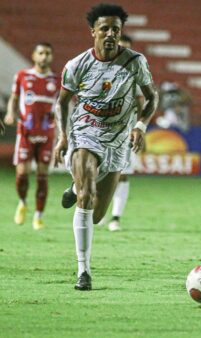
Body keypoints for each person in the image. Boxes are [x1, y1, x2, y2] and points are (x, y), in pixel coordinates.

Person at [53, 3, 158, 290]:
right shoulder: (77, 65)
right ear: (93, 32)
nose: (111, 34)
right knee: (87, 198)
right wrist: (63, 137)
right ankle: (83, 271)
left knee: (97, 215)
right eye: (105, 29)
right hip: (85, 133)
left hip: (118, 140)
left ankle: (74, 188)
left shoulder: (135, 62)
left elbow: (152, 97)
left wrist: (140, 125)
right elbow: (62, 102)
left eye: (116, 29)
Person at [4, 43, 59, 230]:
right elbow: (14, 97)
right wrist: (10, 113)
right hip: (25, 132)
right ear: (34, 55)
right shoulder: (22, 76)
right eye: (41, 53)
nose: (44, 57)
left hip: (46, 133)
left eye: (48, 53)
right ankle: (22, 203)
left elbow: (62, 105)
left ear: (51, 57)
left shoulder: (57, 80)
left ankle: (38, 216)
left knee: (43, 176)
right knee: (22, 173)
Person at [99, 33, 146, 232]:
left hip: (125, 132)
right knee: (99, 173)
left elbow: (142, 103)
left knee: (122, 175)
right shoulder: (98, 69)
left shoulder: (135, 73)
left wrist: (141, 129)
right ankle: (99, 211)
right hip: (98, 131)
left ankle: (116, 217)